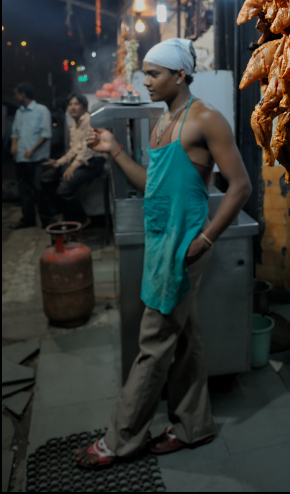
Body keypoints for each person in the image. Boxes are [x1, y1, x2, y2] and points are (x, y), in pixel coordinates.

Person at [74, 38, 252, 469]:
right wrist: (114, 150)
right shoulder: (162, 119)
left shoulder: (206, 120)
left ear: (180, 75)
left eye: (154, 74)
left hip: (183, 246)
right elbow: (150, 183)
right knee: (184, 336)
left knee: (153, 344)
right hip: (161, 240)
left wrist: (205, 239)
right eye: (146, 73)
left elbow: (241, 187)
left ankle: (122, 438)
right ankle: (194, 425)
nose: (147, 81)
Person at [39, 92, 106, 229]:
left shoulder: (89, 120)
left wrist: (72, 166)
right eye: (70, 105)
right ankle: (61, 213)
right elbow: (73, 150)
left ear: (84, 106)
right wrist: (59, 163)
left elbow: (88, 149)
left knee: (64, 189)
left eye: (76, 104)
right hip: (82, 159)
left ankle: (82, 218)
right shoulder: (76, 124)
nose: (72, 107)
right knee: (46, 179)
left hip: (94, 161)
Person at [10, 82, 52, 229]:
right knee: (24, 190)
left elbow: (45, 134)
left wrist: (33, 150)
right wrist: (14, 145)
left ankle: (46, 221)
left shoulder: (42, 110)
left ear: (23, 95)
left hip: (37, 158)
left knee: (40, 190)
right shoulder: (19, 112)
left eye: (16, 94)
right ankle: (28, 219)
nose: (15, 97)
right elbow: (15, 132)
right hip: (21, 158)